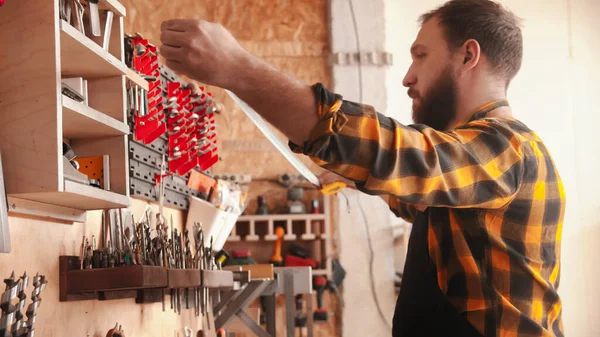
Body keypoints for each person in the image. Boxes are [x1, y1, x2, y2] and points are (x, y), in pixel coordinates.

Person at [159, 0, 564, 336]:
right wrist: (353, 178)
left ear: (468, 55)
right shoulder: (471, 170)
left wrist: (237, 68)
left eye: (421, 56)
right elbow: (421, 199)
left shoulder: (510, 148)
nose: (408, 77)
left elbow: (402, 154)